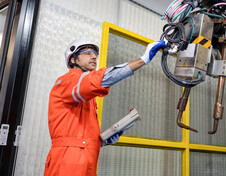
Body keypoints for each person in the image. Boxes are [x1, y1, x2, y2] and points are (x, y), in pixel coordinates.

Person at [44, 38, 166, 176]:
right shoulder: (67, 81)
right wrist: (143, 59)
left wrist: (102, 139)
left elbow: (78, 134)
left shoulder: (85, 95)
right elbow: (99, 80)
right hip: (67, 163)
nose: (94, 56)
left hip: (85, 160)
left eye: (95, 53)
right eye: (88, 52)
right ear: (73, 60)